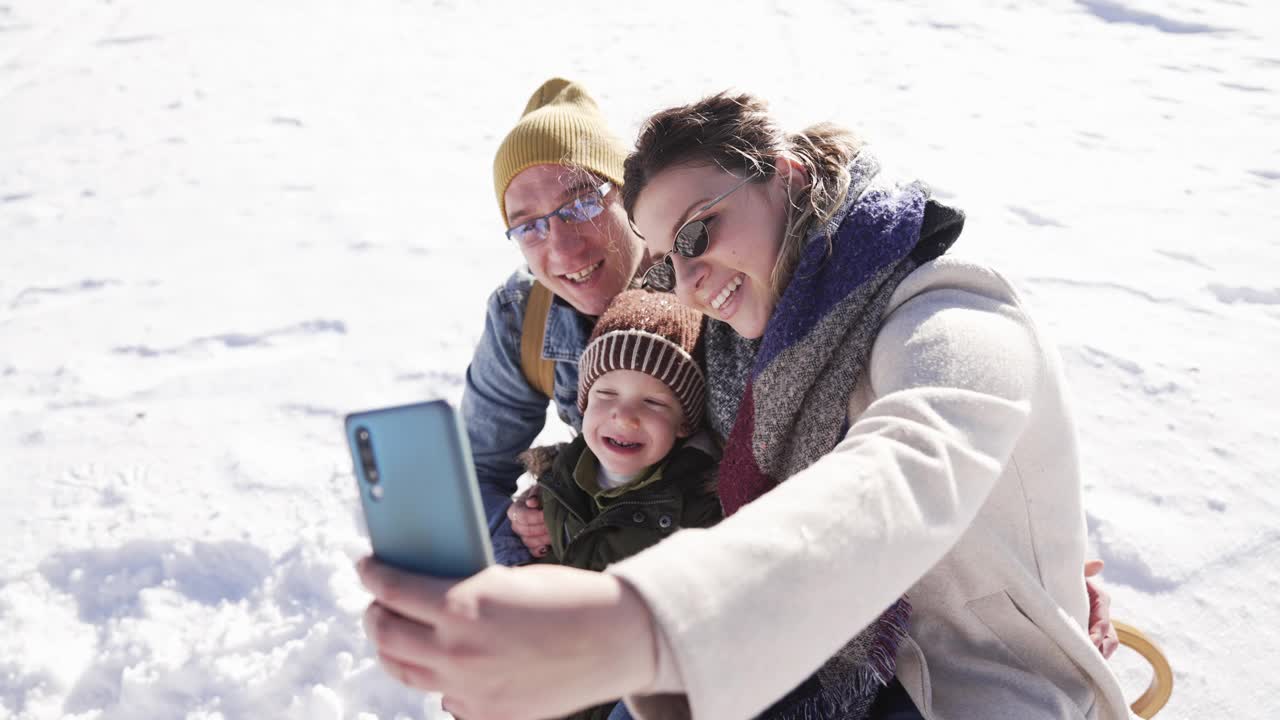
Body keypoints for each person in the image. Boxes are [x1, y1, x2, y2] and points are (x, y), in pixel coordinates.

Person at [356, 87, 1127, 720]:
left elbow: (913, 465)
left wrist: (630, 624)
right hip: (802, 644)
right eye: (527, 226)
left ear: (786, 177)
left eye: (694, 234)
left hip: (966, 687)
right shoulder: (740, 329)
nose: (689, 280)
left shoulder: (950, 304)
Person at [462, 77, 645, 567]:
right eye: (528, 226)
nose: (562, 248)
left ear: (628, 194)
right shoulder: (523, 318)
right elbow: (473, 473)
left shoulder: (713, 287)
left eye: (582, 202)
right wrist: (528, 540)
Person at [522, 289, 722, 720]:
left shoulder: (695, 509)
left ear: (685, 421)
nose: (623, 416)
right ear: (584, 403)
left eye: (652, 402)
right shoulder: (560, 482)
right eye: (606, 395)